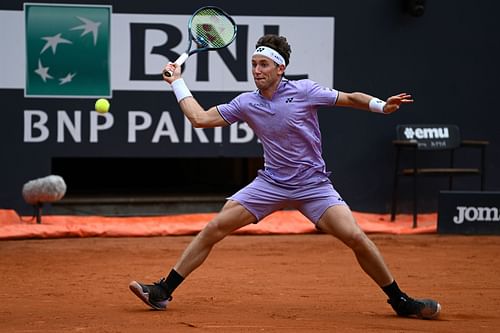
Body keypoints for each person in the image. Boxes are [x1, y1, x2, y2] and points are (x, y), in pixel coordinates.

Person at [129, 34, 441, 319]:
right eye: (253, 64)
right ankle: (163, 291)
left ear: (280, 68)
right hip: (270, 183)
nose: (256, 70)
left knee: (356, 237)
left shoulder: (305, 90)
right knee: (214, 228)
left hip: (313, 185)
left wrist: (380, 106)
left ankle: (400, 301)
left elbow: (350, 98)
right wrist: (178, 83)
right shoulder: (246, 103)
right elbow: (199, 119)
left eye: (263, 64)